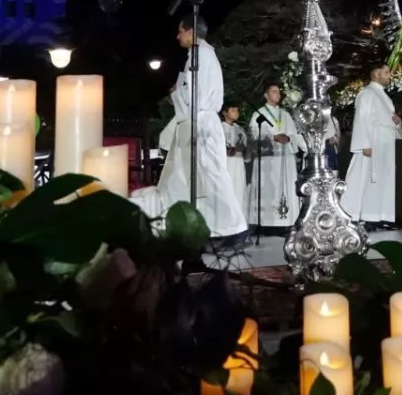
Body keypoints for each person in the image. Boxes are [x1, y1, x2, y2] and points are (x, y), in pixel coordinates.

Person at [131, 16, 248, 242]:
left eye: (180, 31)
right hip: (191, 122)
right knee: (178, 176)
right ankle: (172, 226)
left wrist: (177, 91)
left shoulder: (201, 55)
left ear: (191, 31)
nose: (177, 36)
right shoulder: (199, 55)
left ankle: (234, 228)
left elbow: (196, 96)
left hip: (200, 122)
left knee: (211, 174)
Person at [343, 62, 402, 229]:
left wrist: (397, 122)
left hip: (385, 144)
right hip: (372, 142)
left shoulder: (383, 95)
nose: (390, 76)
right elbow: (361, 119)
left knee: (384, 180)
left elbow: (390, 120)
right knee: (369, 180)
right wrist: (364, 144)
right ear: (376, 74)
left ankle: (383, 217)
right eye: (386, 73)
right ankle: (367, 217)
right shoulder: (367, 94)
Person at [247, 82, 306, 230]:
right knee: (268, 189)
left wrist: (289, 138)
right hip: (268, 159)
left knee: (285, 189)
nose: (277, 94)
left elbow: (294, 133)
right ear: (266, 95)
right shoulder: (259, 114)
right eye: (273, 91)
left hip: (285, 157)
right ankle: (267, 224)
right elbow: (253, 135)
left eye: (278, 92)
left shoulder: (285, 114)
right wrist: (272, 137)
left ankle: (286, 222)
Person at [221, 103, 247, 214]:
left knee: (239, 192)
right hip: (225, 165)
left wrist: (241, 148)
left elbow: (245, 148)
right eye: (233, 110)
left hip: (238, 165)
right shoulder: (219, 127)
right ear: (225, 113)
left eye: (237, 110)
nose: (236, 112)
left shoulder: (240, 129)